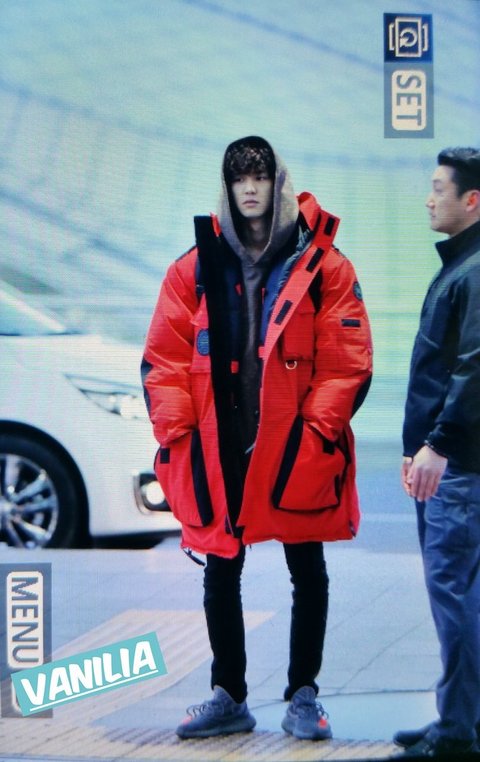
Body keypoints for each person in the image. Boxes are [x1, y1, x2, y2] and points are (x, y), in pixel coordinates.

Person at [142, 136, 372, 741]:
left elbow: (346, 362)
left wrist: (316, 434)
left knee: (307, 567)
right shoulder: (194, 268)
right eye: (239, 177)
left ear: (278, 183)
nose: (250, 188)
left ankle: (303, 695)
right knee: (220, 568)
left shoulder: (323, 265)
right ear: (226, 186)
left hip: (293, 443)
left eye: (260, 176)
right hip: (219, 444)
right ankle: (229, 696)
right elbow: (164, 359)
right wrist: (178, 436)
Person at [393, 147, 480, 758]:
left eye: (439, 189)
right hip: (453, 463)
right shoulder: (462, 265)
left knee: (454, 595)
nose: (429, 199)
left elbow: (473, 368)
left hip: (458, 469)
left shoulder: (473, 271)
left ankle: (457, 731)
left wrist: (437, 446)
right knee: (464, 597)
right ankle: (462, 718)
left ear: (472, 200)